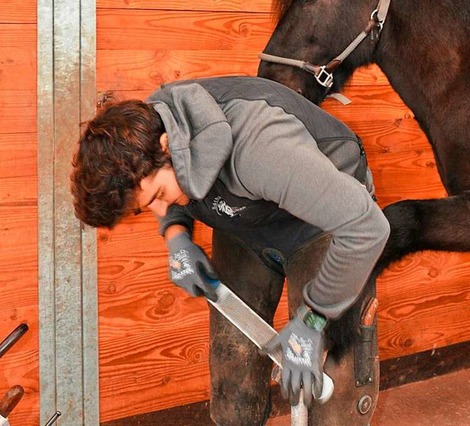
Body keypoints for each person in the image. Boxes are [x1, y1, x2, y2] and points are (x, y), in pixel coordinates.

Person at [71, 76, 390, 425]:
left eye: (158, 197)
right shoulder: (153, 128)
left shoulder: (260, 145)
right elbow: (168, 194)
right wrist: (175, 234)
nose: (159, 207)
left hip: (327, 227)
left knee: (332, 390)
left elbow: (367, 228)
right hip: (246, 219)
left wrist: (313, 319)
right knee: (232, 376)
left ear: (168, 147)